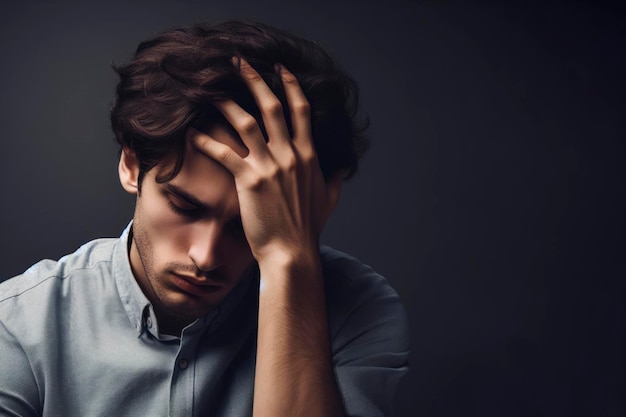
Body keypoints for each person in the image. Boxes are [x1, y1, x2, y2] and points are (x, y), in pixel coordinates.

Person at [0, 20, 409, 416]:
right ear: (130, 164)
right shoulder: (20, 326)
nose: (206, 256)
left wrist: (287, 258)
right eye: (185, 206)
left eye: (246, 225)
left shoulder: (356, 307)